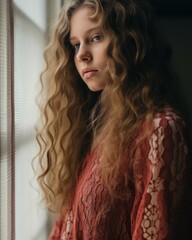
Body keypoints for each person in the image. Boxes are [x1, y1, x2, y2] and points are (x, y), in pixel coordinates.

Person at [35, 0, 190, 239]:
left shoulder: (160, 130)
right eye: (75, 45)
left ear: (128, 42)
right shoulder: (88, 126)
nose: (82, 55)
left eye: (95, 38)